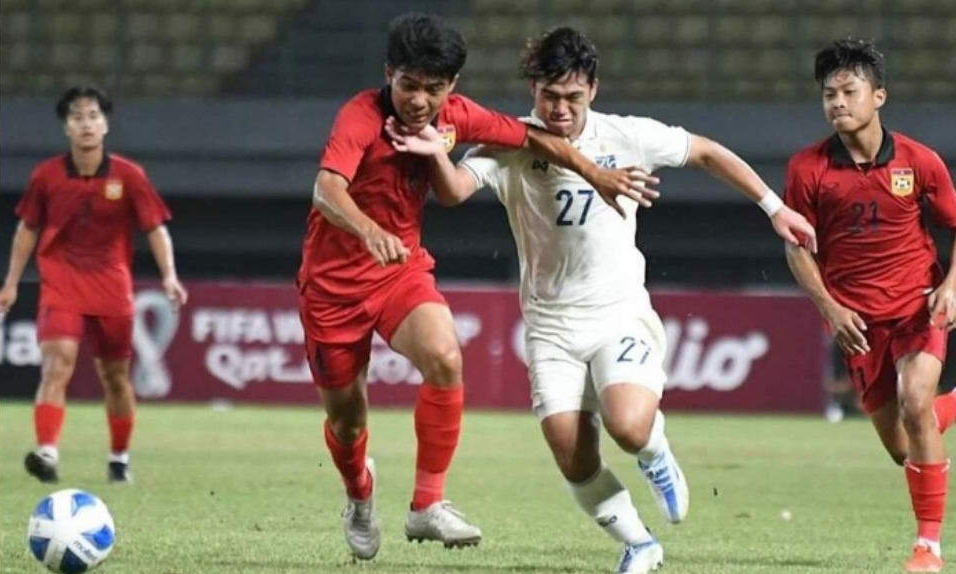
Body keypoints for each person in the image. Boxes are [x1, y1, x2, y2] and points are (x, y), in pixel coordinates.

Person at [386, 27, 816, 574]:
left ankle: (656, 454)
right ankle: (640, 543)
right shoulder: (512, 143)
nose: (560, 109)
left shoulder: (627, 136)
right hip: (548, 327)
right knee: (572, 454)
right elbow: (453, 192)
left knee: (629, 426)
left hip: (617, 315)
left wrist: (774, 208)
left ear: (593, 88)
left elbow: (706, 153)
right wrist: (433, 156)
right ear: (533, 90)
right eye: (549, 96)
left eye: (573, 97)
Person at [298, 13, 655, 561]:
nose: (420, 100)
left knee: (445, 354)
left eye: (433, 89)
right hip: (333, 288)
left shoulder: (457, 117)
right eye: (409, 85)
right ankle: (359, 495)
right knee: (347, 424)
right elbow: (327, 188)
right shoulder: (360, 117)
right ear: (389, 74)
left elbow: (536, 139)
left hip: (400, 273)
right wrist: (370, 232)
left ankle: (426, 505)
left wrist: (596, 173)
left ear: (453, 87)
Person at [783, 38, 956, 573]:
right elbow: (795, 248)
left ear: (878, 96)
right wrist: (831, 311)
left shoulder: (918, 162)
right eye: (828, 94)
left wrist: (951, 286)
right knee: (905, 449)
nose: (837, 102)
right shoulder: (807, 169)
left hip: (916, 310)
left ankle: (927, 546)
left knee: (915, 399)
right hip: (857, 325)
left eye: (849, 91)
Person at [0, 85, 188, 485]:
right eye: (77, 117)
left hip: (112, 289)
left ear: (105, 125)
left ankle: (119, 457)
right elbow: (26, 230)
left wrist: (169, 275)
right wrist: (10, 282)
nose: (86, 124)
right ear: (66, 128)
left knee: (115, 377)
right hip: (61, 285)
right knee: (56, 364)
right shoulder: (46, 176)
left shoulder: (129, 176)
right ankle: (47, 451)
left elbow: (155, 229)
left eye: (93, 116)